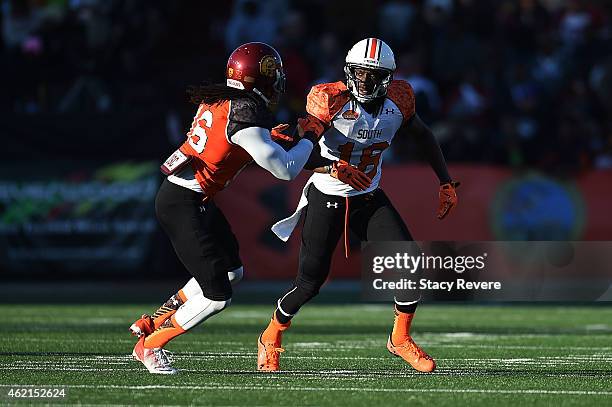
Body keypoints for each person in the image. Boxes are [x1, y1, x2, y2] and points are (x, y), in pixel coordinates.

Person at [258, 38, 459, 373]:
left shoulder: (400, 98)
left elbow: (423, 134)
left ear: (388, 77)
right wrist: (332, 165)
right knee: (309, 283)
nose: (364, 80)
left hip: (368, 196)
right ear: (349, 71)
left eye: (373, 74)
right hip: (327, 194)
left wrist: (445, 180)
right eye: (359, 73)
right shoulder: (328, 98)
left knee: (410, 263)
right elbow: (298, 146)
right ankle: (271, 334)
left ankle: (400, 338)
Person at [128, 42, 324, 374]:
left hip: (191, 198)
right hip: (184, 203)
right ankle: (149, 346)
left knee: (233, 271)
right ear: (258, 77)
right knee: (217, 296)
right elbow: (285, 169)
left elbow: (229, 142)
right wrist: (308, 137)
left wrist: (270, 140)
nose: (278, 81)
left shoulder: (222, 97)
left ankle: (152, 321)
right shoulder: (247, 111)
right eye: (273, 74)